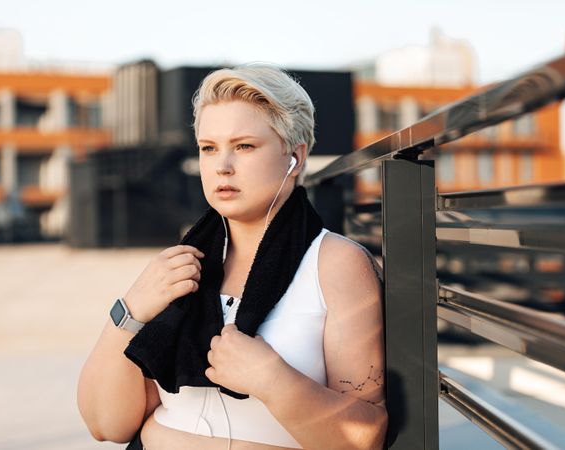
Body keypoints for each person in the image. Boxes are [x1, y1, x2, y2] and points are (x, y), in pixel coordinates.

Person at [77, 65, 387, 450]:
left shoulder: (335, 263)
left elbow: (365, 438)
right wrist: (130, 311)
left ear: (295, 156)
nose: (222, 165)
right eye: (209, 148)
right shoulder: (183, 263)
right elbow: (107, 425)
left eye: (244, 146)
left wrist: (274, 379)